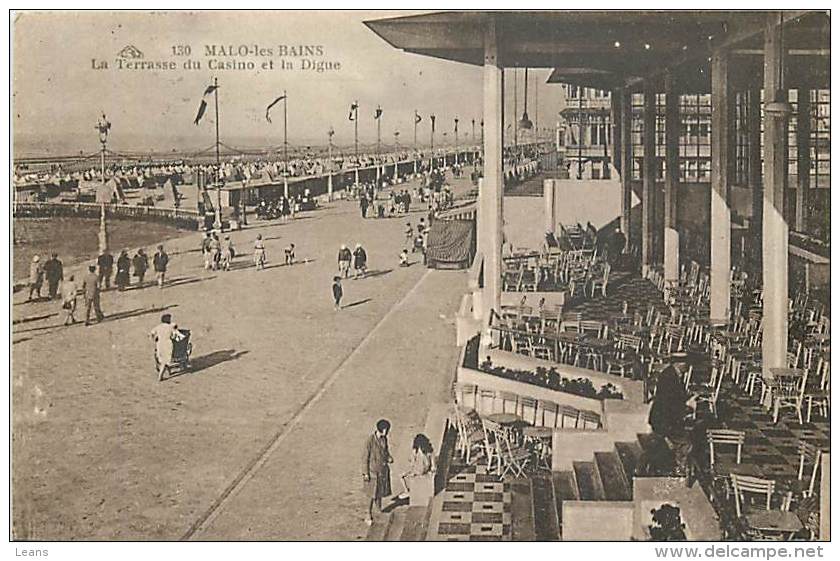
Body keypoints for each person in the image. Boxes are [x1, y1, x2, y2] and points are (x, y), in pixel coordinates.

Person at [362, 419, 394, 525]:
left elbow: (385, 451)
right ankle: (368, 514)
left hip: (382, 471)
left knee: (379, 492)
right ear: (382, 429)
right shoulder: (370, 441)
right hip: (372, 472)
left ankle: (378, 510)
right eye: (386, 430)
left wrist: (388, 457)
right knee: (371, 494)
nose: (388, 432)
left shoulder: (384, 439)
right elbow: (365, 458)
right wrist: (365, 473)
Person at [398, 434, 435, 500]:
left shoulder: (416, 450)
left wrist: (410, 470)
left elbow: (412, 463)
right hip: (425, 470)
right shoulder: (430, 451)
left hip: (417, 471)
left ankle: (407, 491)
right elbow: (433, 466)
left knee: (401, 475)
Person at [149, 313, 186, 381]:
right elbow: (178, 336)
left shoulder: (158, 326)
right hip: (167, 345)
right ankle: (160, 376)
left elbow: (152, 333)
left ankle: (167, 372)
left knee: (162, 359)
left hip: (160, 344)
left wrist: (155, 339)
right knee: (165, 361)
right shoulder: (170, 327)